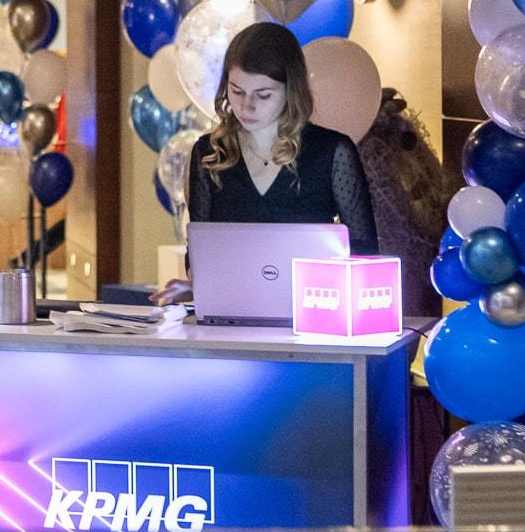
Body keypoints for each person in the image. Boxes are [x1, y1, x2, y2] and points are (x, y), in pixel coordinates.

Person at [155, 22, 376, 305]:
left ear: (291, 91)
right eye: (237, 91)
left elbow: (365, 250)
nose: (246, 106)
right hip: (231, 308)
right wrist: (195, 286)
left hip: (313, 308)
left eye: (263, 95)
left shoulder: (331, 152)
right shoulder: (209, 154)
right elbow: (200, 249)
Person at [357, 86, 452, 319]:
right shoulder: (362, 154)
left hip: (409, 253)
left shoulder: (396, 142)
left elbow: (426, 188)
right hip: (392, 252)